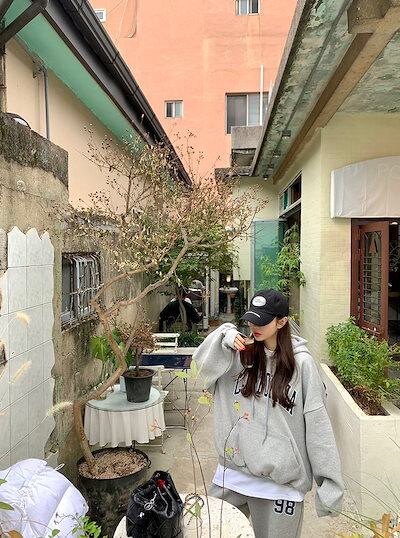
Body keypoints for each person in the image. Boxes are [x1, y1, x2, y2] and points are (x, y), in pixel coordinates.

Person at [193, 289, 344, 538]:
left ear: (281, 322)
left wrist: (330, 486)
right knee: (209, 531)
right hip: (233, 474)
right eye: (252, 320)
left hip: (281, 486)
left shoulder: (302, 365)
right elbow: (200, 366)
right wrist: (224, 335)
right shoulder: (239, 354)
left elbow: (318, 427)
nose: (254, 327)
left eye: (262, 321)